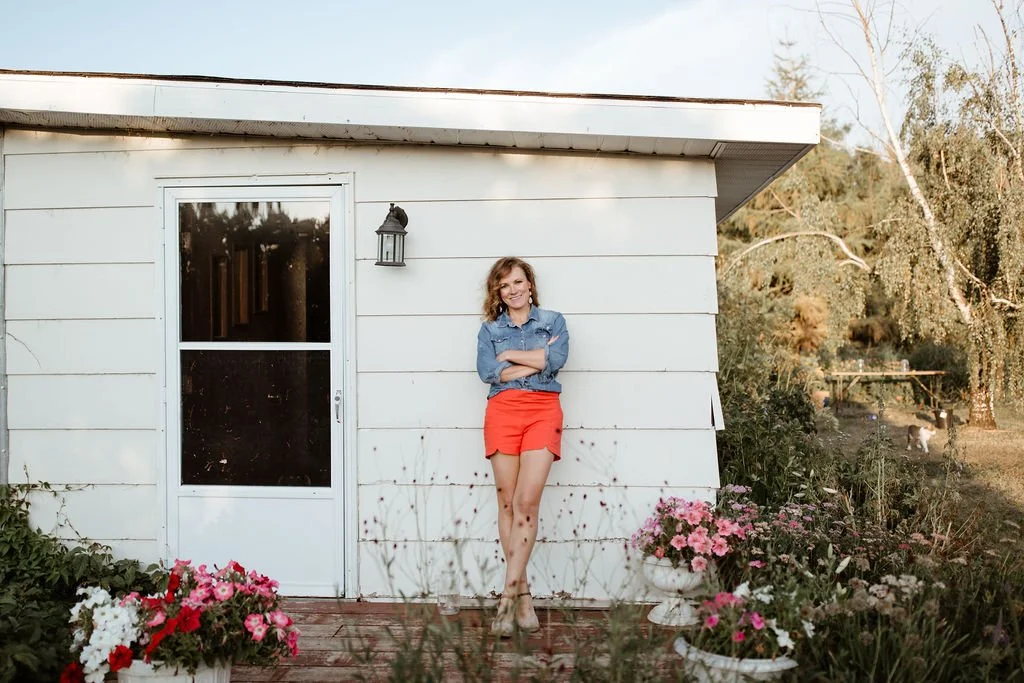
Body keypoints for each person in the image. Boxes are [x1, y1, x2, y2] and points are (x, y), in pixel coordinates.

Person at [475, 256, 570, 637]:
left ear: (530, 284)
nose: (513, 290)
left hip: (543, 411)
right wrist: (537, 361)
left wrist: (510, 356)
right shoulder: (489, 330)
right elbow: (487, 372)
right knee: (507, 502)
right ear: (498, 292)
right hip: (502, 412)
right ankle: (525, 598)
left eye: (518, 282)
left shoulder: (553, 321)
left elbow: (557, 360)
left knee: (527, 503)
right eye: (504, 285)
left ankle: (506, 599)